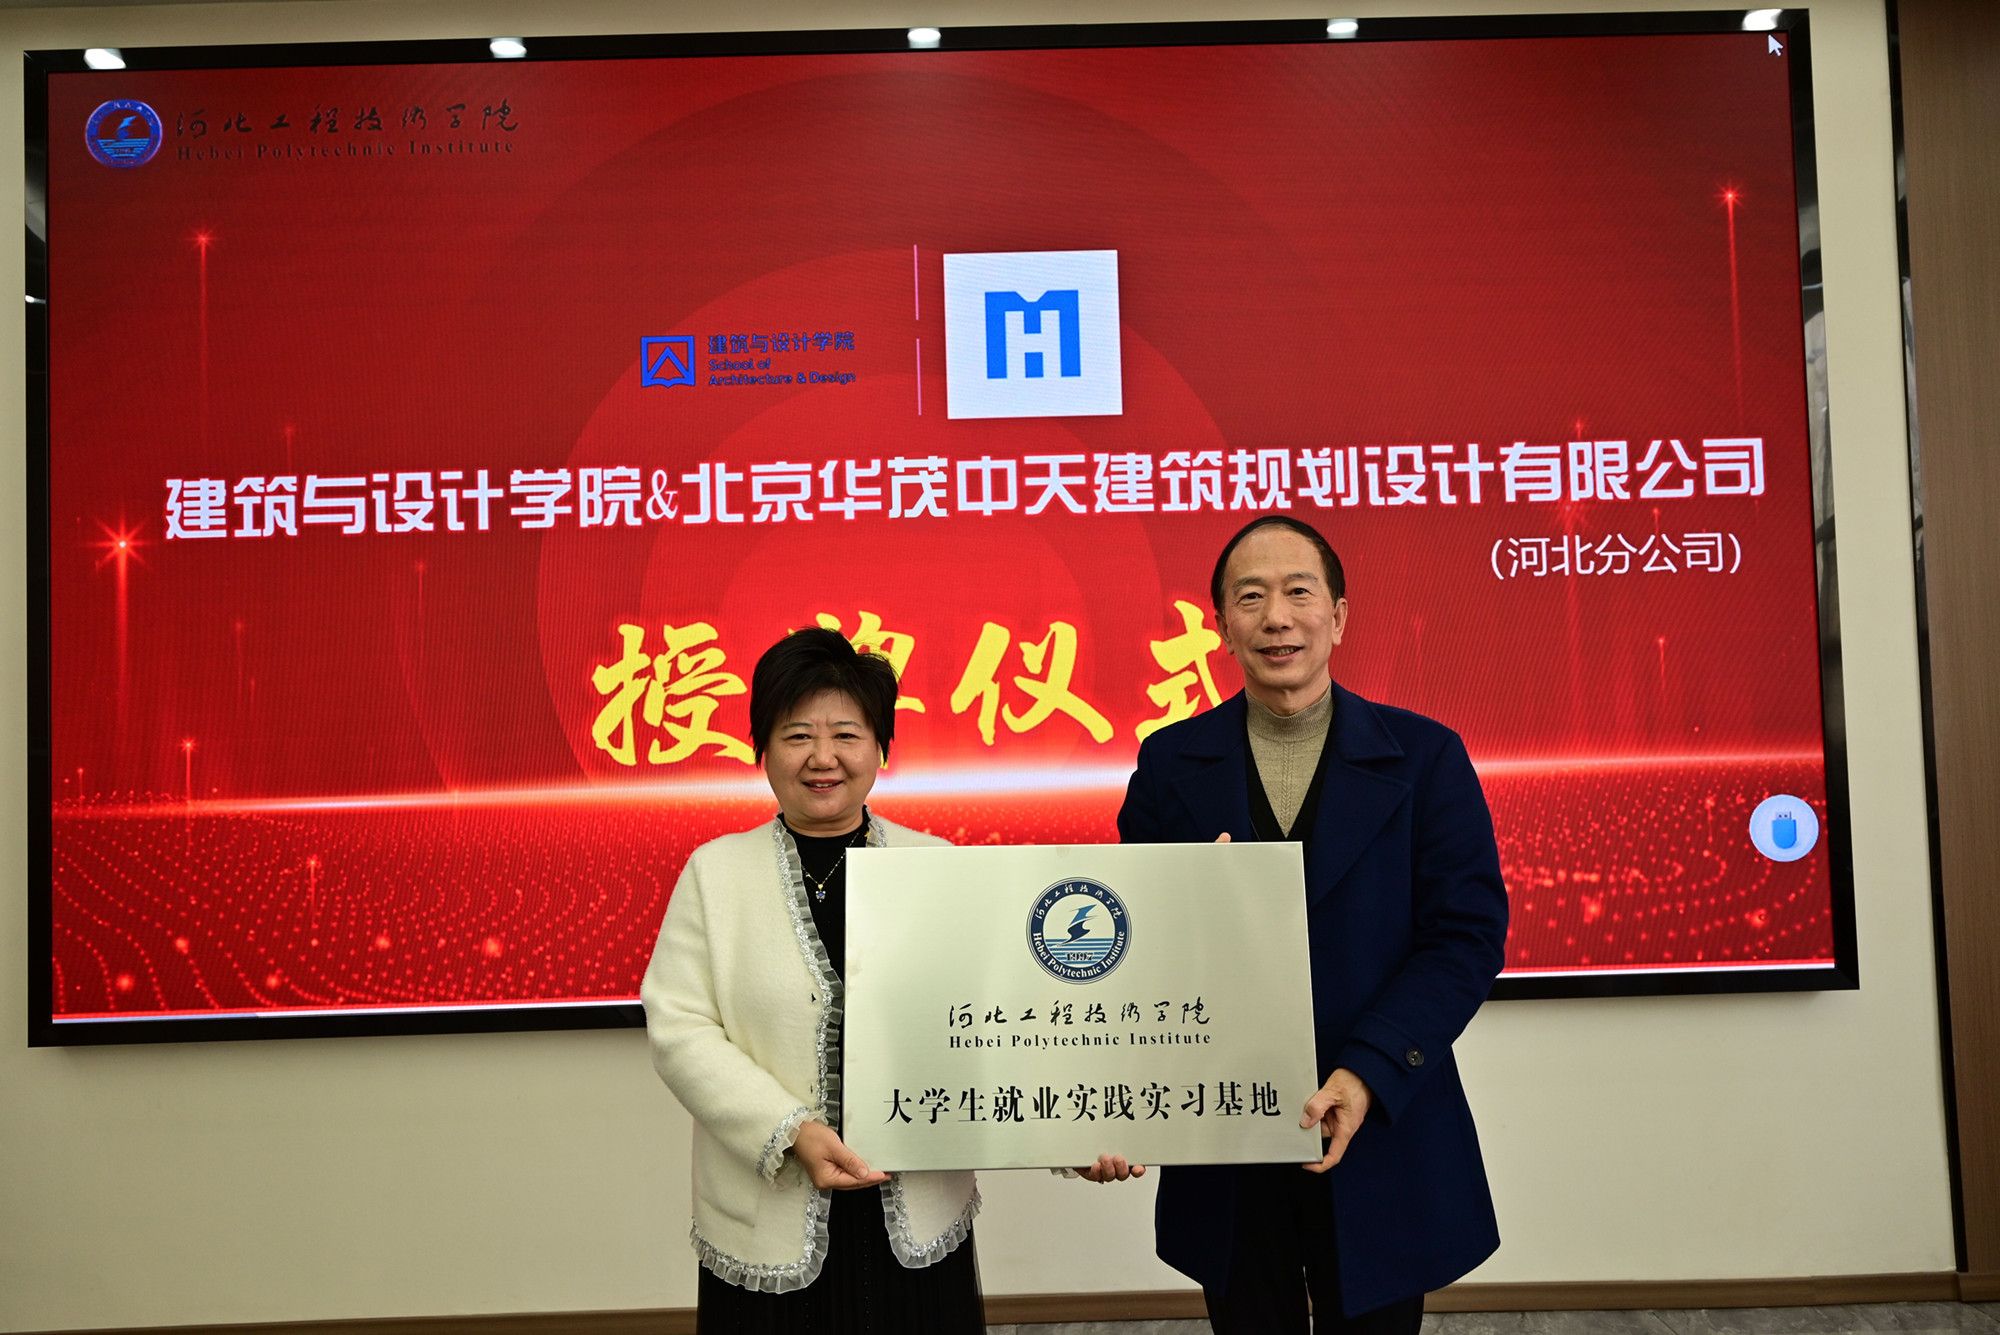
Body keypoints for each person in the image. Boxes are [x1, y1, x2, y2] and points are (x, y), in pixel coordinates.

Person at [1116, 515, 1509, 1334]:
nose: (1277, 618)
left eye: (1299, 592)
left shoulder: (1426, 756)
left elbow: (1466, 936)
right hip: (1226, 1131)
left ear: (1339, 615)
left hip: (1379, 1120)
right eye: (1250, 598)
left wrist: (1368, 1070)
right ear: (1221, 624)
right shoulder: (1169, 762)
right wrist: (1190, 914)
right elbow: (1137, 949)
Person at [641, 627, 983, 1334]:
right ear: (762, 749)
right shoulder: (716, 872)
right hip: (768, 1208)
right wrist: (789, 1129)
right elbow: (680, 1028)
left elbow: (993, 1019)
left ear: (880, 747)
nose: (823, 758)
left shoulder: (936, 864)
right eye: (797, 735)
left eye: (847, 735)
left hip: (916, 1210)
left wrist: (1074, 1137)